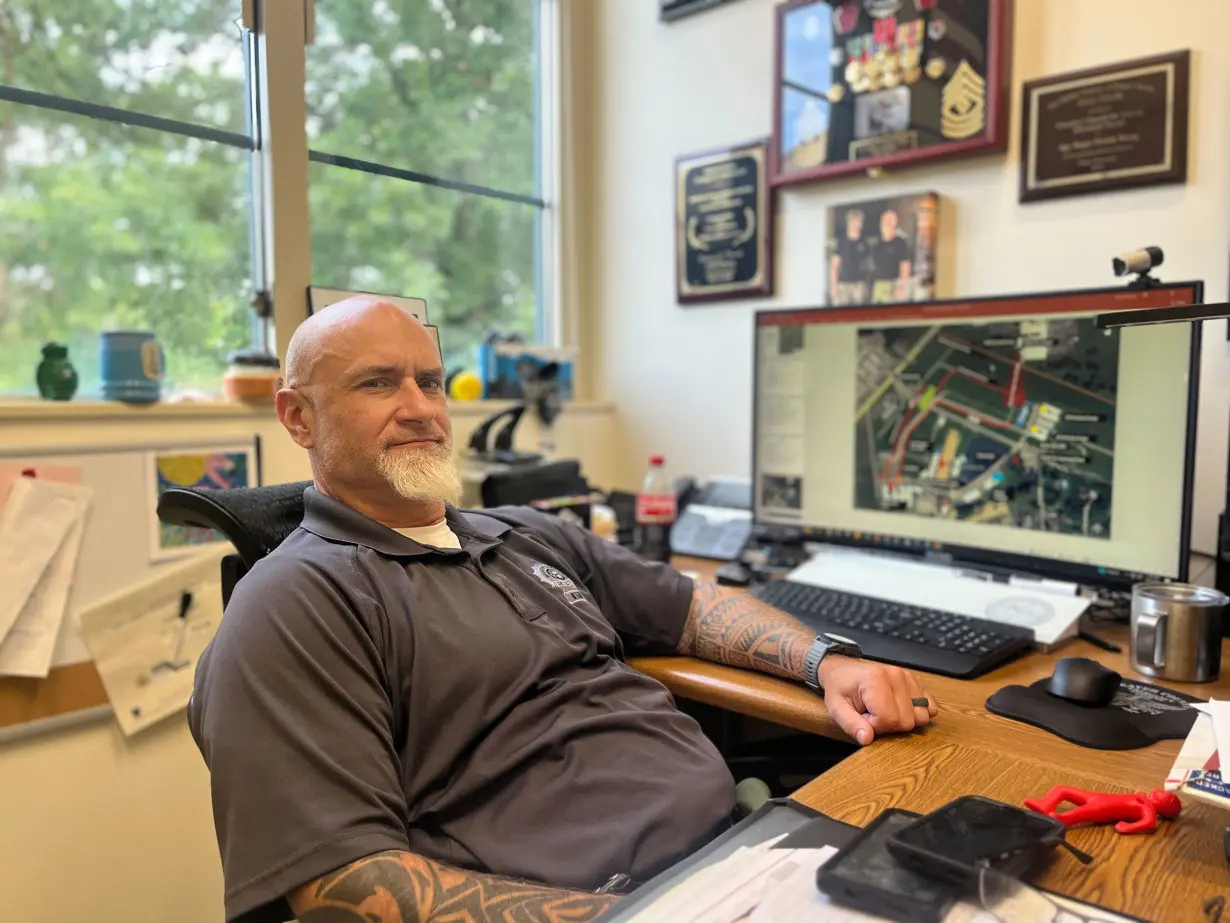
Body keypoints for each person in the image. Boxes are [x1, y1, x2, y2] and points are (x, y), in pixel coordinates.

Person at [189, 297, 938, 923]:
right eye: (379, 385)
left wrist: (825, 661)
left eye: (430, 381)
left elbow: (692, 608)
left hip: (743, 853)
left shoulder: (521, 532)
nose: (420, 408)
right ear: (297, 417)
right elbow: (342, 883)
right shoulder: (294, 604)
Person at [828, 208, 871, 306]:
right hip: (843, 285)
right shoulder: (840, 242)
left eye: (860, 221)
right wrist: (834, 286)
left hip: (859, 285)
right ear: (849, 222)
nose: (857, 224)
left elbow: (868, 265)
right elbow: (834, 265)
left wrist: (867, 285)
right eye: (855, 221)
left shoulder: (864, 242)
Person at [870, 207, 913, 302]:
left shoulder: (900, 242)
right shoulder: (876, 245)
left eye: (890, 220)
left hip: (895, 283)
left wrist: (902, 286)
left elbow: (905, 264)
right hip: (879, 284)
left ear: (895, 223)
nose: (886, 223)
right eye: (885, 220)